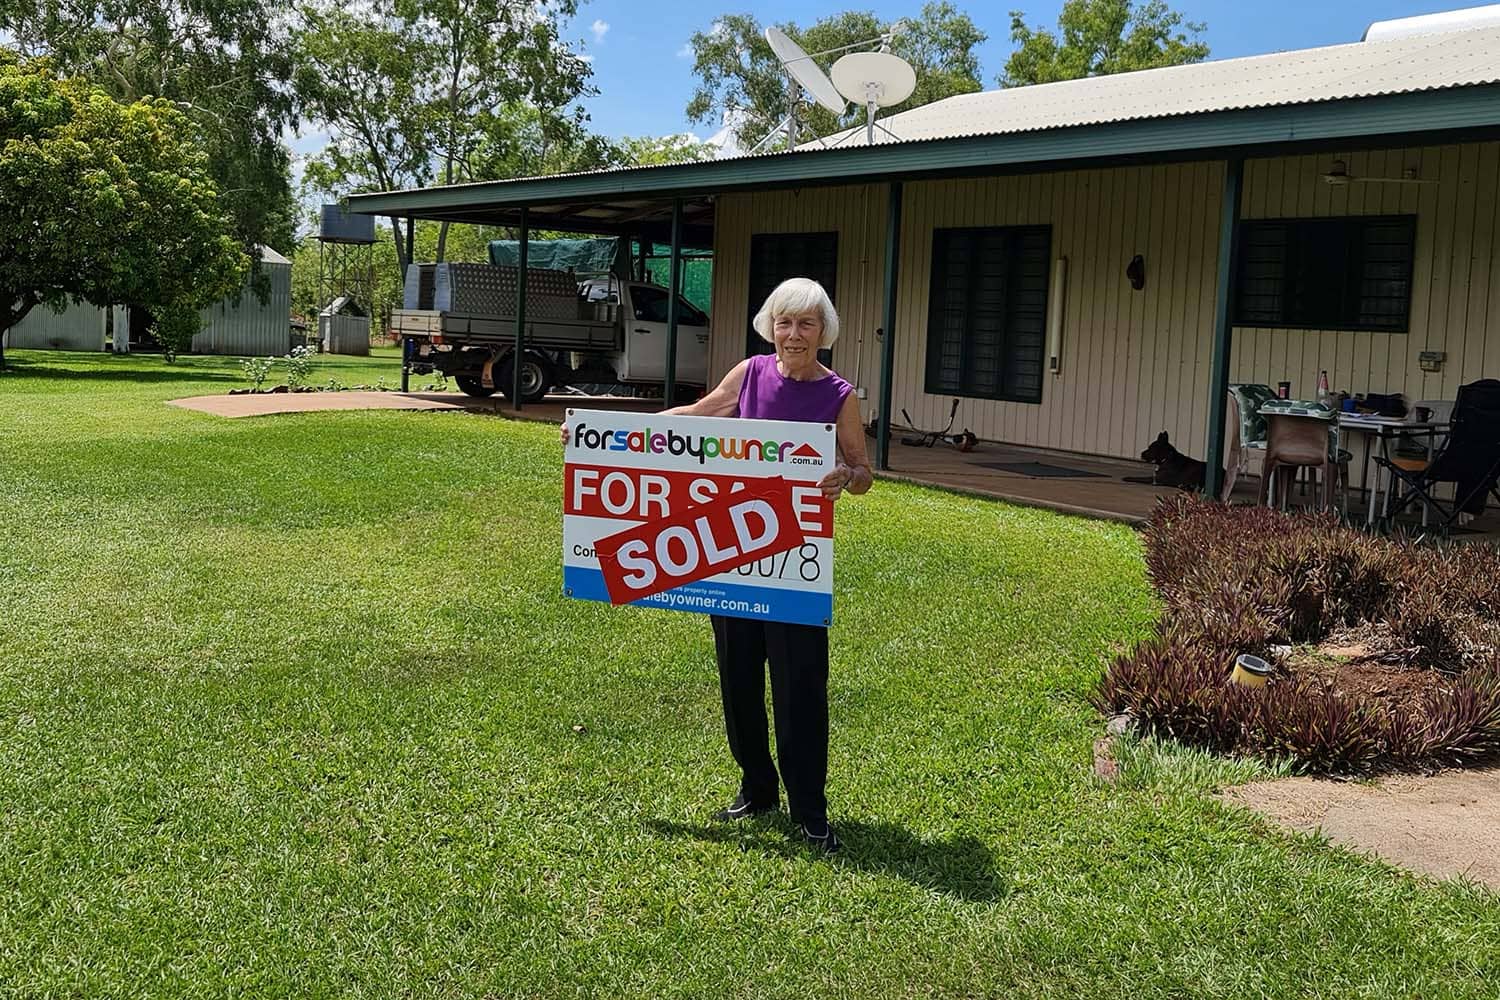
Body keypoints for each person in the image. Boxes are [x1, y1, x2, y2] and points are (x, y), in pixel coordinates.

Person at [563, 277, 872, 852]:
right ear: (770, 327)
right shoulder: (751, 374)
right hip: (729, 553)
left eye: (806, 324)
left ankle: (810, 809)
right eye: (784, 322)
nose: (794, 334)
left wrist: (844, 479)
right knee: (738, 677)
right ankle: (757, 788)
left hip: (794, 561)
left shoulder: (839, 395)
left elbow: (863, 473)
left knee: (800, 685)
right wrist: (600, 437)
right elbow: (695, 415)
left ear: (822, 331)